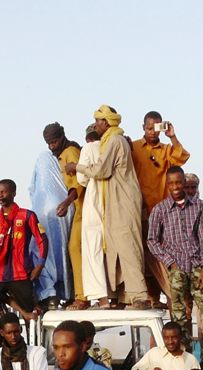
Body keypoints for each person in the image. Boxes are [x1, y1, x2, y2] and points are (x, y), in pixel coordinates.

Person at [65, 105, 150, 309]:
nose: (96, 124)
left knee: (128, 248)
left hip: (124, 202)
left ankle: (139, 295)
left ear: (107, 122)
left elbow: (100, 170)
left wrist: (76, 166)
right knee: (114, 250)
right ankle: (120, 296)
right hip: (113, 204)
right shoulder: (109, 141)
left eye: (99, 121)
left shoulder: (114, 140)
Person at [146, 166, 203, 360]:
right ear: (167, 185)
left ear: (184, 184)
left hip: (196, 265)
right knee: (179, 316)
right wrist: (170, 262)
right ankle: (185, 359)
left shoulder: (197, 207)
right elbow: (151, 240)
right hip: (176, 268)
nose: (176, 187)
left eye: (179, 182)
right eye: (172, 183)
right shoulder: (160, 210)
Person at [130, 112, 191, 303]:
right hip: (140, 212)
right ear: (143, 127)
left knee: (165, 258)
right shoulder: (134, 148)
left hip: (164, 214)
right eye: (149, 128)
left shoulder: (166, 149)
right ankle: (152, 297)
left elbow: (181, 159)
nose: (152, 132)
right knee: (144, 261)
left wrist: (172, 136)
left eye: (156, 128)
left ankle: (174, 296)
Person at [0, 181, 46, 348]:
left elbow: (42, 240)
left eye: (4, 192)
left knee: (30, 314)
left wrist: (40, 265)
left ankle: (33, 348)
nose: (0, 196)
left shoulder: (27, 215)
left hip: (21, 274)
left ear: (13, 193)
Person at [28, 144, 75, 307]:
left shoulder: (38, 205)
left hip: (44, 257)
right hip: (66, 259)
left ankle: (49, 292)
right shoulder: (66, 199)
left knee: (41, 255)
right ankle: (68, 292)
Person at [76, 125, 109, 307]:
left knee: (93, 248)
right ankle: (113, 296)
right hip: (111, 200)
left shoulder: (89, 148)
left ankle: (101, 297)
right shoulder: (110, 146)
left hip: (94, 199)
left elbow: (81, 179)